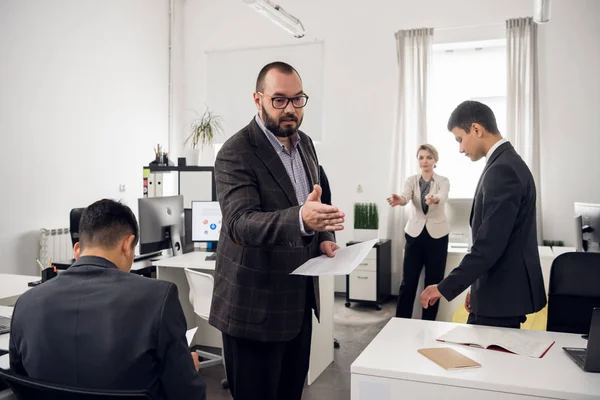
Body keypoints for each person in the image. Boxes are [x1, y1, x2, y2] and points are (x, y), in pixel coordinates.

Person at [210, 61, 345, 400]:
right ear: (258, 99)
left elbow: (317, 201)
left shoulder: (307, 145)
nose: (290, 109)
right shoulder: (235, 153)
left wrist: (324, 238)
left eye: (297, 99)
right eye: (279, 100)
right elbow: (241, 223)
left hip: (297, 304)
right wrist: (301, 219)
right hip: (253, 310)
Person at [9, 199, 207, 399]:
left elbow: (22, 384)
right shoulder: (158, 298)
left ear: (77, 249)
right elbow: (187, 394)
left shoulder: (26, 303)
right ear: (127, 245)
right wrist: (187, 368)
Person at [420, 100, 546, 329]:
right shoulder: (505, 163)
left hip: (501, 295)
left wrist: (443, 287)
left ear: (477, 129)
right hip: (495, 291)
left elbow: (489, 245)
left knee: (489, 363)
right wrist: (476, 288)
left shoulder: (503, 170)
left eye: (460, 139)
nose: (460, 148)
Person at [387, 144, 450, 321]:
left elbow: (443, 196)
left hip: (437, 236)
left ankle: (428, 324)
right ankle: (400, 322)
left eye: (429, 157)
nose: (425, 161)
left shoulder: (443, 181)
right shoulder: (411, 180)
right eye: (421, 157)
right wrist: (399, 200)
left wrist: (435, 198)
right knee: (408, 283)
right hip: (414, 235)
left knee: (433, 284)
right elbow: (405, 197)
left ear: (435, 160)